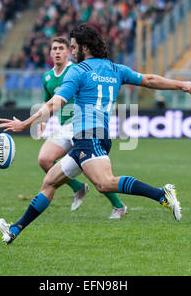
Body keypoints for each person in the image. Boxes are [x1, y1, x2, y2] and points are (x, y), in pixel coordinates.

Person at [0, 23, 191, 244]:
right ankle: (15, 229)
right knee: (50, 183)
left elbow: (57, 101)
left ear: (85, 48)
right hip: (92, 136)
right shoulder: (116, 69)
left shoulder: (77, 71)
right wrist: (181, 84)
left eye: (74, 47)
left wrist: (25, 123)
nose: (71, 52)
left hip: (89, 135)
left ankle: (162, 194)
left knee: (104, 183)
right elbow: (149, 80)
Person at [21, 36, 127, 217]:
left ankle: (118, 205)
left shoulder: (78, 70)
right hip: (64, 127)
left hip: (83, 124)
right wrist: (42, 122)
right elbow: (49, 102)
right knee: (44, 159)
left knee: (92, 170)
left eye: (61, 49)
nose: (57, 52)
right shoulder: (47, 77)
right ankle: (78, 188)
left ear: (69, 52)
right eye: (54, 49)